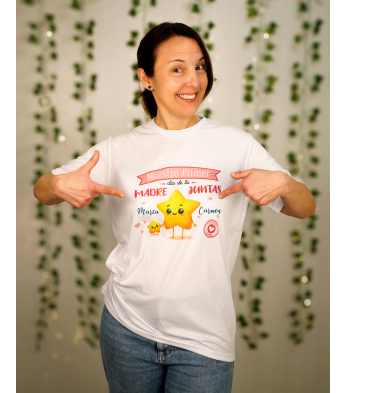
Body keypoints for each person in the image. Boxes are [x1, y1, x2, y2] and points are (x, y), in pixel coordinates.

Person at [34, 21, 315, 393]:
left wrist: (284, 183)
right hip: (126, 328)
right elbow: (42, 189)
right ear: (146, 78)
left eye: (200, 67)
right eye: (177, 68)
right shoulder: (120, 148)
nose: (194, 81)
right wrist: (57, 184)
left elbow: (304, 206)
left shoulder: (236, 144)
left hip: (204, 337)